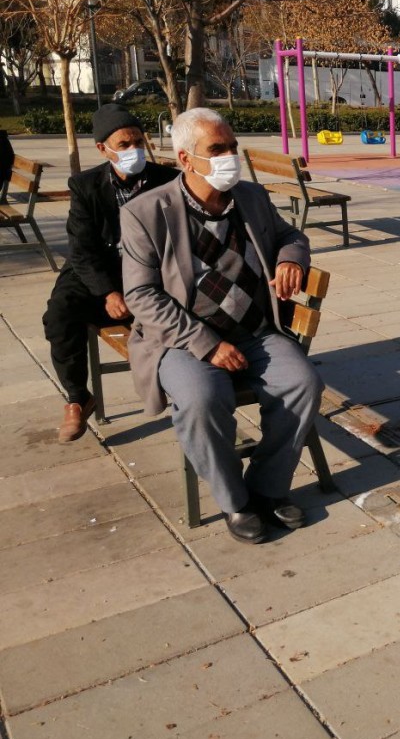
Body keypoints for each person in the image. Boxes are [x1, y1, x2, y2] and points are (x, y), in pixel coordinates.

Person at [120, 108, 323, 545]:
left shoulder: (250, 197)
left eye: (232, 147)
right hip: (182, 341)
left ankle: (268, 489)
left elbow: (292, 236)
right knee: (201, 398)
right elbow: (141, 297)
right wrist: (206, 343)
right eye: (217, 149)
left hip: (255, 333)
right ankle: (235, 501)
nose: (230, 156)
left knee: (303, 383)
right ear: (185, 159)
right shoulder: (146, 213)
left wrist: (291, 258)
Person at [42, 103, 177, 442]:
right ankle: (77, 398)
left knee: (167, 324)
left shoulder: (167, 180)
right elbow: (82, 249)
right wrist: (108, 292)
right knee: (60, 313)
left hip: (148, 274)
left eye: (138, 142)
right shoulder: (85, 186)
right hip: (100, 273)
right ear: (103, 149)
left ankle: (186, 389)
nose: (134, 150)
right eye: (124, 145)